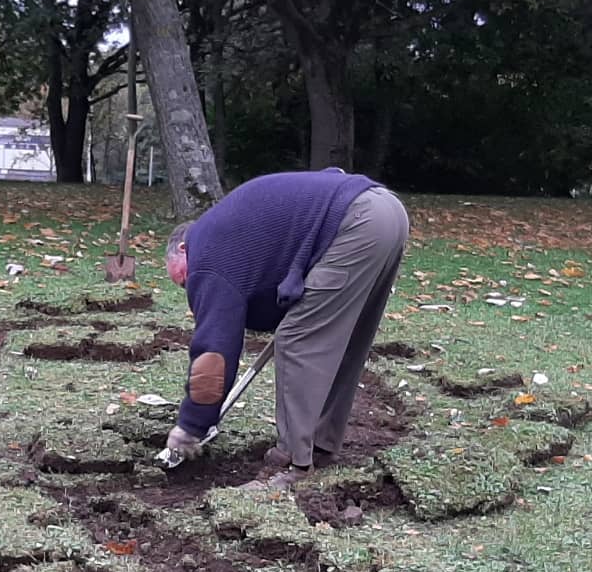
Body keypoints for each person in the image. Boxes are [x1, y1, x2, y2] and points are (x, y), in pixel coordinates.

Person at [163, 168, 410, 488]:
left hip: (356, 222)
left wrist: (191, 426)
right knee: (339, 338)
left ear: (183, 247)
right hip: (385, 212)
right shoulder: (230, 233)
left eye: (182, 278)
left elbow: (214, 353)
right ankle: (320, 443)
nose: (189, 287)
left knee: (297, 339)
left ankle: (291, 462)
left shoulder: (206, 255)